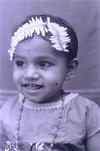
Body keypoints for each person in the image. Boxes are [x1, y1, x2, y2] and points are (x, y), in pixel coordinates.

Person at [0, 14, 100, 151]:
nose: (30, 75)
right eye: (20, 63)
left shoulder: (85, 112)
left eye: (43, 63)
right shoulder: (6, 110)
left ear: (69, 69)